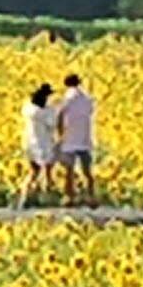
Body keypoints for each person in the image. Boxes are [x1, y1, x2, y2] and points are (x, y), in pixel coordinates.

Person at [18, 83, 59, 208]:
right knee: (47, 172)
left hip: (29, 143)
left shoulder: (27, 109)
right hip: (43, 144)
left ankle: (24, 197)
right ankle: (46, 200)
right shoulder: (44, 112)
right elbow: (53, 124)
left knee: (33, 172)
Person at [57, 74, 96, 205]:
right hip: (84, 137)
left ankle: (70, 196)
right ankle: (91, 196)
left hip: (70, 138)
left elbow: (60, 115)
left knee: (69, 170)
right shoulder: (87, 98)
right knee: (87, 170)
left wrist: (60, 133)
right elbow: (91, 112)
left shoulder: (68, 97)